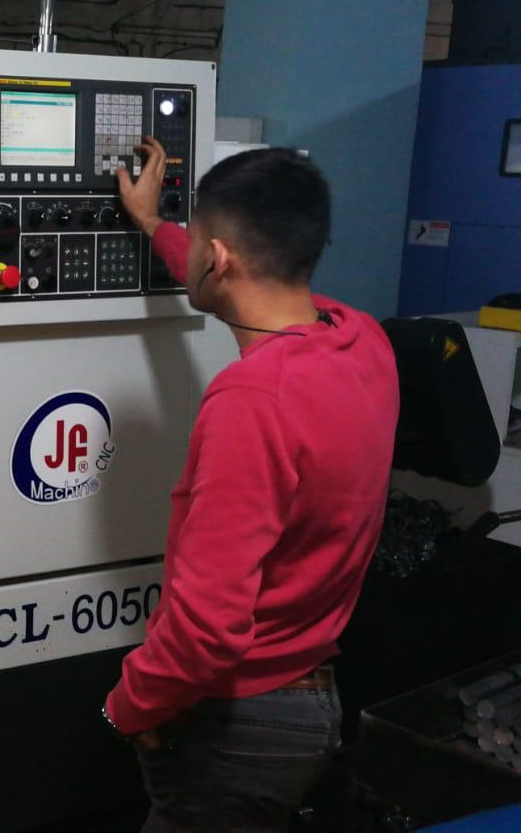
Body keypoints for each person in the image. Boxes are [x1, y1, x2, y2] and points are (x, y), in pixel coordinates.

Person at [100, 140, 399, 831]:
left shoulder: (252, 402)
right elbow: (237, 280)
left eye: (198, 240)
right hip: (311, 700)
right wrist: (154, 224)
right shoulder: (361, 340)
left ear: (219, 258)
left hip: (237, 724)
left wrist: (126, 708)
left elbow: (206, 628)